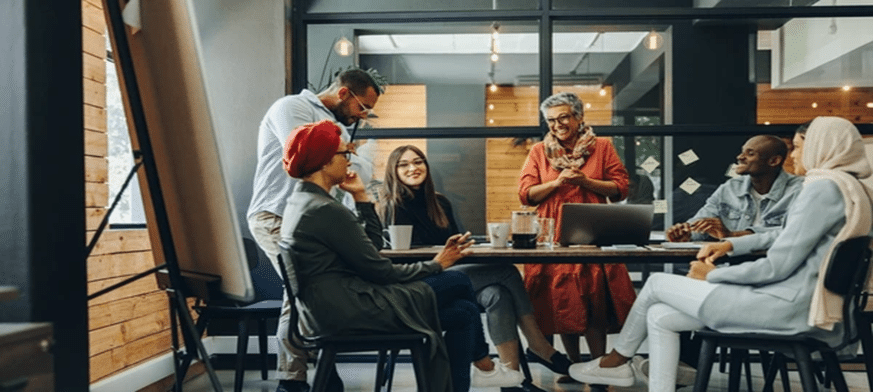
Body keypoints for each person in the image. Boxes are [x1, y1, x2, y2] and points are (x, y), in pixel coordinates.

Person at [568, 116, 873, 392]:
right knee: (660, 316)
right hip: (805, 303)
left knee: (657, 285)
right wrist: (731, 244)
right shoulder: (851, 188)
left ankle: (616, 362)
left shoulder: (821, 189)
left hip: (786, 307)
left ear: (823, 145)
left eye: (798, 147)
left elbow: (778, 265)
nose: (794, 155)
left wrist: (714, 274)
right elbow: (786, 235)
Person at [279, 120, 494, 392]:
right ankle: (484, 365)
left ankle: (475, 372)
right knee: (458, 282)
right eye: (345, 153)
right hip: (351, 311)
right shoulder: (324, 210)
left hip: (329, 310)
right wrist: (437, 264)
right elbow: (381, 270)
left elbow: (369, 248)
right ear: (323, 161)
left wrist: (361, 198)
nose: (350, 159)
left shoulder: (303, 203)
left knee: (464, 312)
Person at [378, 145, 573, 392]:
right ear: (393, 171)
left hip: (450, 275)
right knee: (507, 272)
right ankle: (538, 344)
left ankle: (510, 378)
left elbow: (455, 247)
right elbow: (398, 261)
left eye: (418, 162)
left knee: (497, 295)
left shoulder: (439, 203)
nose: (413, 168)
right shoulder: (390, 206)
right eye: (403, 164)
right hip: (423, 282)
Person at [246, 68, 384, 392]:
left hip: (312, 219)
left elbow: (347, 175)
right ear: (344, 93)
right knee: (302, 289)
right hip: (276, 215)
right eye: (362, 107)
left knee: (308, 290)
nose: (363, 116)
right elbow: (307, 158)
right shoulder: (292, 108)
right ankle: (296, 380)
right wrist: (346, 150)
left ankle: (310, 374)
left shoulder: (341, 129)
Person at [517, 92, 634, 388]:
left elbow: (620, 188)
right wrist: (556, 183)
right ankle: (573, 367)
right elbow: (526, 194)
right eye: (552, 120)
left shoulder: (602, 147)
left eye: (564, 117)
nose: (558, 125)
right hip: (553, 232)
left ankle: (601, 366)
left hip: (593, 230)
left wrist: (585, 181)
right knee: (561, 301)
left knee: (594, 298)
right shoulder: (540, 151)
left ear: (579, 117)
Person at [666, 134, 803, 242]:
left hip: (773, 270)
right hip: (729, 267)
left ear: (774, 161)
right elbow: (701, 222)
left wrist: (733, 235)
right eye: (742, 152)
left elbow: (793, 233)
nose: (740, 157)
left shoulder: (800, 190)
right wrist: (686, 233)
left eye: (750, 154)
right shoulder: (730, 188)